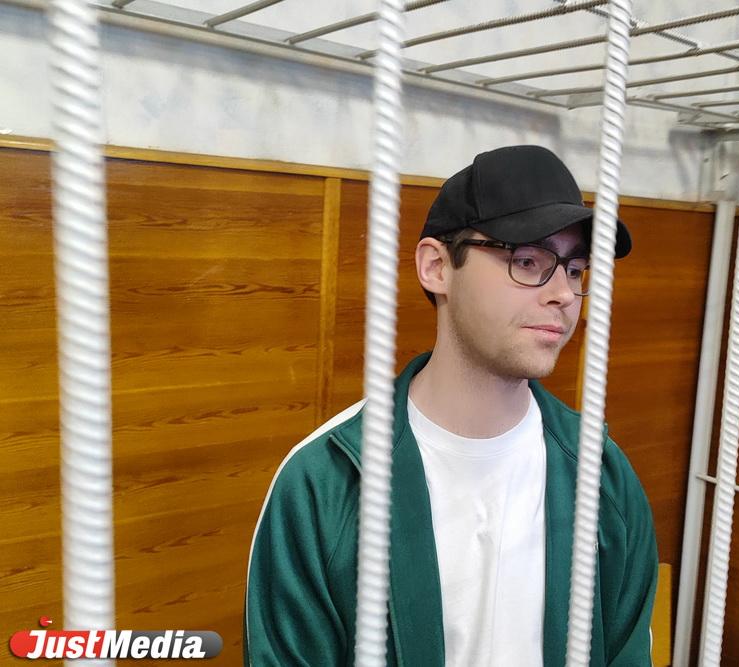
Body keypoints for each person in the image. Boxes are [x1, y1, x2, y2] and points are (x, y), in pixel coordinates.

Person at [244, 145, 658, 666]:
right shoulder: (325, 481)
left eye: (575, 270)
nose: (563, 294)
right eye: (527, 261)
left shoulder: (602, 475)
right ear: (437, 266)